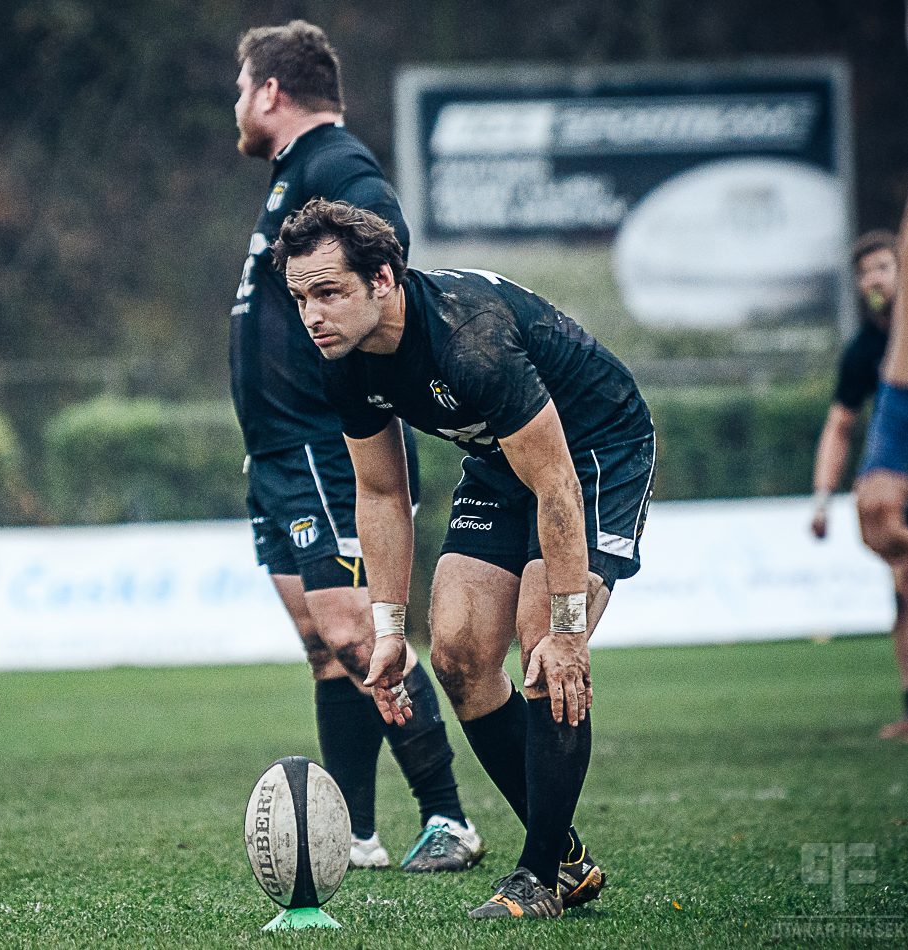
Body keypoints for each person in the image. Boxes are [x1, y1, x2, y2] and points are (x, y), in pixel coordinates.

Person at [273, 199, 651, 919]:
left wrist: (570, 631)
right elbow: (382, 492)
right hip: (499, 459)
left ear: (382, 279)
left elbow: (557, 482)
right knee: (454, 654)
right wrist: (389, 629)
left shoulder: (466, 338)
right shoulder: (341, 358)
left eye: (328, 292)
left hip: (593, 453)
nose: (311, 315)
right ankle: (565, 857)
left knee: (543, 649)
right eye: (299, 297)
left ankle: (537, 874)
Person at [229, 21, 479, 872]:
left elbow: (386, 260)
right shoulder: (292, 177)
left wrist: (357, 378)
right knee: (321, 644)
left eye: (240, 86)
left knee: (353, 633)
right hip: (275, 452)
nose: (237, 102)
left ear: (269, 92)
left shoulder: (334, 163)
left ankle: (448, 818)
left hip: (317, 440)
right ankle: (356, 834)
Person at [811, 230, 908, 741]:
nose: (873, 279)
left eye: (883, 268)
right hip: (899, 479)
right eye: (865, 272)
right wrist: (823, 499)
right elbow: (840, 426)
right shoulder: (864, 350)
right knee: (902, 590)